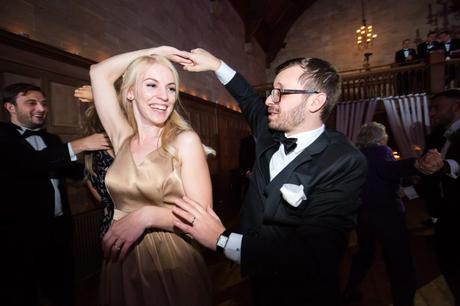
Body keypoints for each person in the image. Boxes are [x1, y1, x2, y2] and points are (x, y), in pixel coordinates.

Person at [172, 48, 368, 306]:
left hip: (304, 292)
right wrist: (216, 64)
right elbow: (247, 98)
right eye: (271, 91)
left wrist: (222, 240)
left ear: (315, 101)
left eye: (280, 92)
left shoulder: (344, 161)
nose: (268, 100)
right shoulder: (269, 129)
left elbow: (316, 253)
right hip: (258, 276)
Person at [89, 46, 213, 306]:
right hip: (120, 259)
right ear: (131, 92)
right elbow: (98, 73)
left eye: (170, 88)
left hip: (170, 260)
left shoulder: (185, 141)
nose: (164, 96)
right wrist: (158, 51)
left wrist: (146, 217)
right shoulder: (121, 137)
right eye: (151, 85)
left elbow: (203, 220)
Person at [0, 83, 110, 306]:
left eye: (43, 103)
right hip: (20, 235)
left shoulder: (52, 140)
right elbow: (29, 164)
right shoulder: (3, 136)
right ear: (10, 107)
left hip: (58, 230)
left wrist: (104, 175)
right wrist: (80, 144)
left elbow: (73, 171)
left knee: (63, 289)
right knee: (22, 293)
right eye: (31, 103)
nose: (41, 108)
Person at [342, 122, 442, 306]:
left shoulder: (355, 157)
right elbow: (387, 169)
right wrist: (416, 163)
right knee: (399, 261)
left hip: (363, 217)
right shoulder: (381, 151)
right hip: (388, 217)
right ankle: (403, 301)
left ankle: (349, 290)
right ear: (381, 138)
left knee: (365, 254)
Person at [419, 89, 460, 306]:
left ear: (456, 106)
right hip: (446, 212)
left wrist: (443, 166)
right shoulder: (438, 135)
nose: (432, 113)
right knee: (446, 261)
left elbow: (453, 165)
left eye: (437, 107)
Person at [75, 85, 115, 237]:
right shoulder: (93, 158)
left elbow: (102, 201)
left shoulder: (90, 157)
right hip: (116, 231)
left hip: (112, 228)